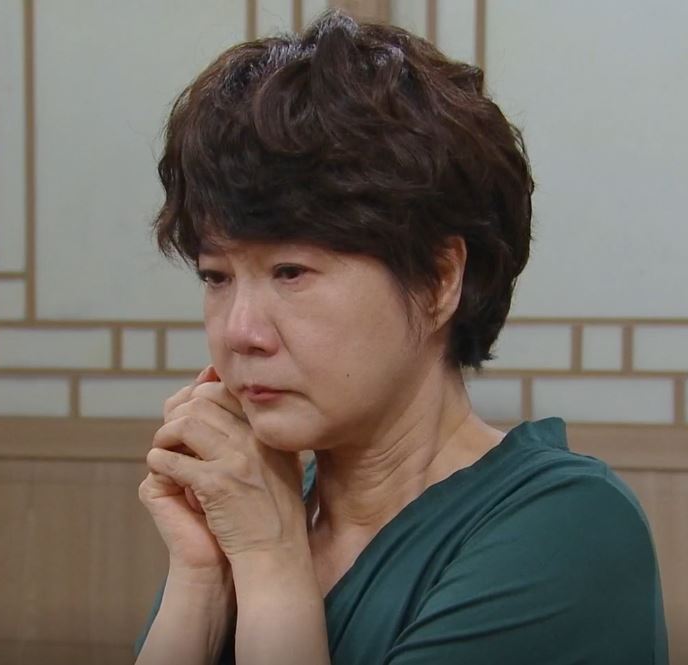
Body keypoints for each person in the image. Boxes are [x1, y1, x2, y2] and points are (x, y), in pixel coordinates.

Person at [135, 10, 668, 665]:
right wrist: (199, 578)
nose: (240, 332)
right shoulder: (259, 505)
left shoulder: (567, 526)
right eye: (216, 277)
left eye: (291, 272)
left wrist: (271, 561)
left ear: (439, 279)